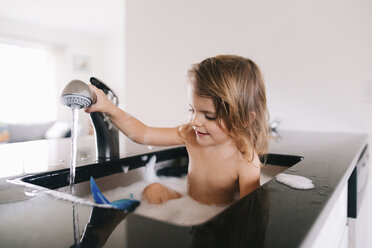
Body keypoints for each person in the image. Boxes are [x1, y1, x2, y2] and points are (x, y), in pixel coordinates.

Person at [85, 55, 270, 205]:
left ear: (244, 119)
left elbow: (248, 212)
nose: (195, 121)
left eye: (209, 115)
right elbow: (143, 134)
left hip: (219, 220)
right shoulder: (190, 135)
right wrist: (109, 108)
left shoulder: (245, 159)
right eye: (192, 110)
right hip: (189, 207)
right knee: (152, 189)